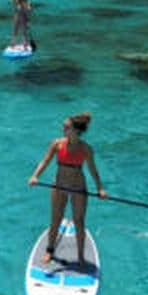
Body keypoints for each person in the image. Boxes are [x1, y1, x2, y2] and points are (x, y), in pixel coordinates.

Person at [28, 113, 108, 268]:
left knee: (79, 222)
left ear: (76, 130)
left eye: (66, 127)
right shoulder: (57, 144)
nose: (63, 128)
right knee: (56, 219)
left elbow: (93, 171)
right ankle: (50, 250)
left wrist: (100, 189)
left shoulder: (86, 149)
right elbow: (44, 161)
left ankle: (80, 257)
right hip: (59, 186)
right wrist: (35, 176)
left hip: (78, 188)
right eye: (64, 126)